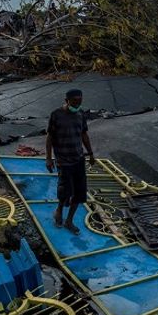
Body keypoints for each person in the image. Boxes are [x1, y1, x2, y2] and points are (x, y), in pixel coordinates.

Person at [46, 89, 95, 235]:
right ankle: (59, 210)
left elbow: (84, 134)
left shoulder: (81, 114)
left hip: (78, 158)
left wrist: (91, 153)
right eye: (74, 102)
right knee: (65, 191)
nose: (77, 104)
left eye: (80, 101)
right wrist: (48, 158)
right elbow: (49, 138)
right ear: (66, 100)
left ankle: (69, 221)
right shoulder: (56, 115)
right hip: (63, 160)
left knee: (79, 192)